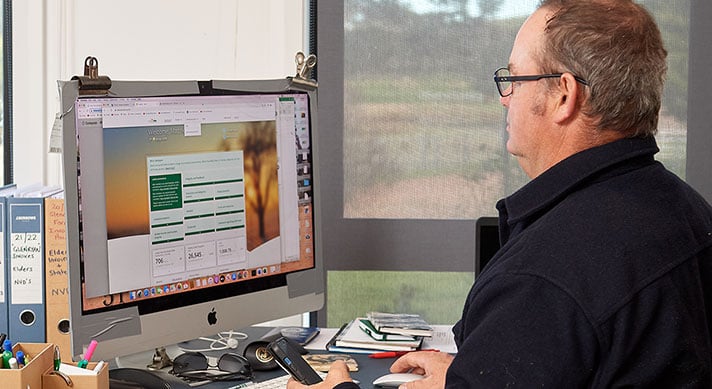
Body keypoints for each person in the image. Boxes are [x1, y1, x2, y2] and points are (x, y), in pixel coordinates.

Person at [289, 0, 712, 387]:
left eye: (514, 78)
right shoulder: (686, 211)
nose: (505, 100)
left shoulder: (544, 277)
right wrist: (477, 372)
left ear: (564, 94)